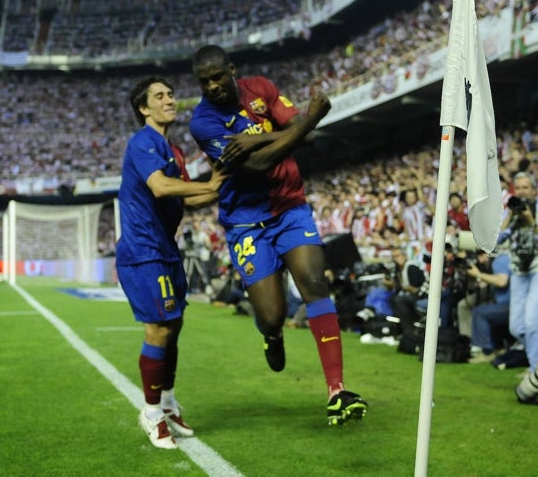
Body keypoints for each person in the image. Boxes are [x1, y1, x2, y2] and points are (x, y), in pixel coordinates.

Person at [188, 45, 367, 426]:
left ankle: (337, 390)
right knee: (272, 315)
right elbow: (258, 163)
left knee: (315, 283)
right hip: (245, 221)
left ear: (231, 70)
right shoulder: (202, 121)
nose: (212, 86)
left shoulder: (262, 89)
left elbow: (307, 140)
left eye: (217, 77)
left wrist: (257, 137)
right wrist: (310, 119)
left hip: (289, 207)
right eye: (204, 82)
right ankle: (272, 336)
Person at [115, 76, 227, 449]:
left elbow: (185, 200)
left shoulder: (174, 150)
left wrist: (219, 184)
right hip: (142, 251)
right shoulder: (142, 142)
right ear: (144, 108)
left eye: (171, 94)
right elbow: (161, 187)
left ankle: (166, 401)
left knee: (174, 325)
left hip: (166, 249)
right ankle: (150, 412)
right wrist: (207, 187)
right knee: (159, 330)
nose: (169, 100)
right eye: (159, 96)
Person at [497, 171, 538, 371]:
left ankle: (537, 371)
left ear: (534, 190)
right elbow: (494, 241)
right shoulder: (511, 211)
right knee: (517, 327)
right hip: (519, 270)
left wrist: (531, 220)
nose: (522, 192)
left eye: (526, 188)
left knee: (533, 321)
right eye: (519, 188)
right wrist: (508, 219)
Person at [459, 250, 512, 363]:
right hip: (510, 304)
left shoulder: (500, 260)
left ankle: (486, 352)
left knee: (479, 313)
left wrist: (478, 274)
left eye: (483, 255)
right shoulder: (504, 258)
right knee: (487, 309)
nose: (481, 259)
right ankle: (498, 348)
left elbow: (502, 281)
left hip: (511, 305)